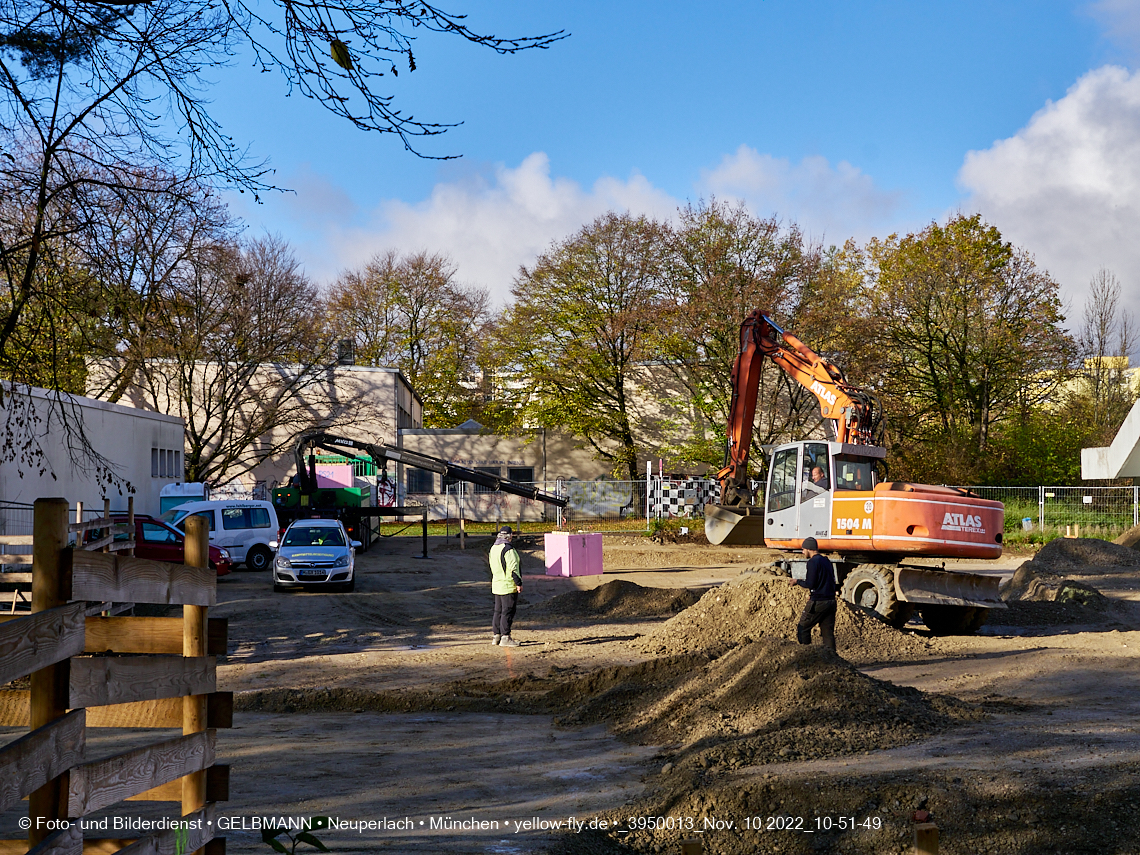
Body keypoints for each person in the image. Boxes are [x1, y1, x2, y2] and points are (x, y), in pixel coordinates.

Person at [787, 536, 837, 652]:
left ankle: (808, 656)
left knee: (803, 628)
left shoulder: (812, 562)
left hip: (818, 603)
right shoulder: (826, 561)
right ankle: (833, 661)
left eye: (803, 549)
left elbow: (810, 583)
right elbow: (829, 581)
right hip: (831, 601)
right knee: (827, 633)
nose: (803, 552)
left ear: (809, 549)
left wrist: (797, 581)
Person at [489, 525, 523, 647]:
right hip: (508, 585)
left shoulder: (494, 548)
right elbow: (513, 568)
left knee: (498, 611)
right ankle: (505, 637)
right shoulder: (508, 549)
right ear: (509, 536)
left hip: (497, 584)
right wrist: (518, 583)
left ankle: (496, 636)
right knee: (507, 611)